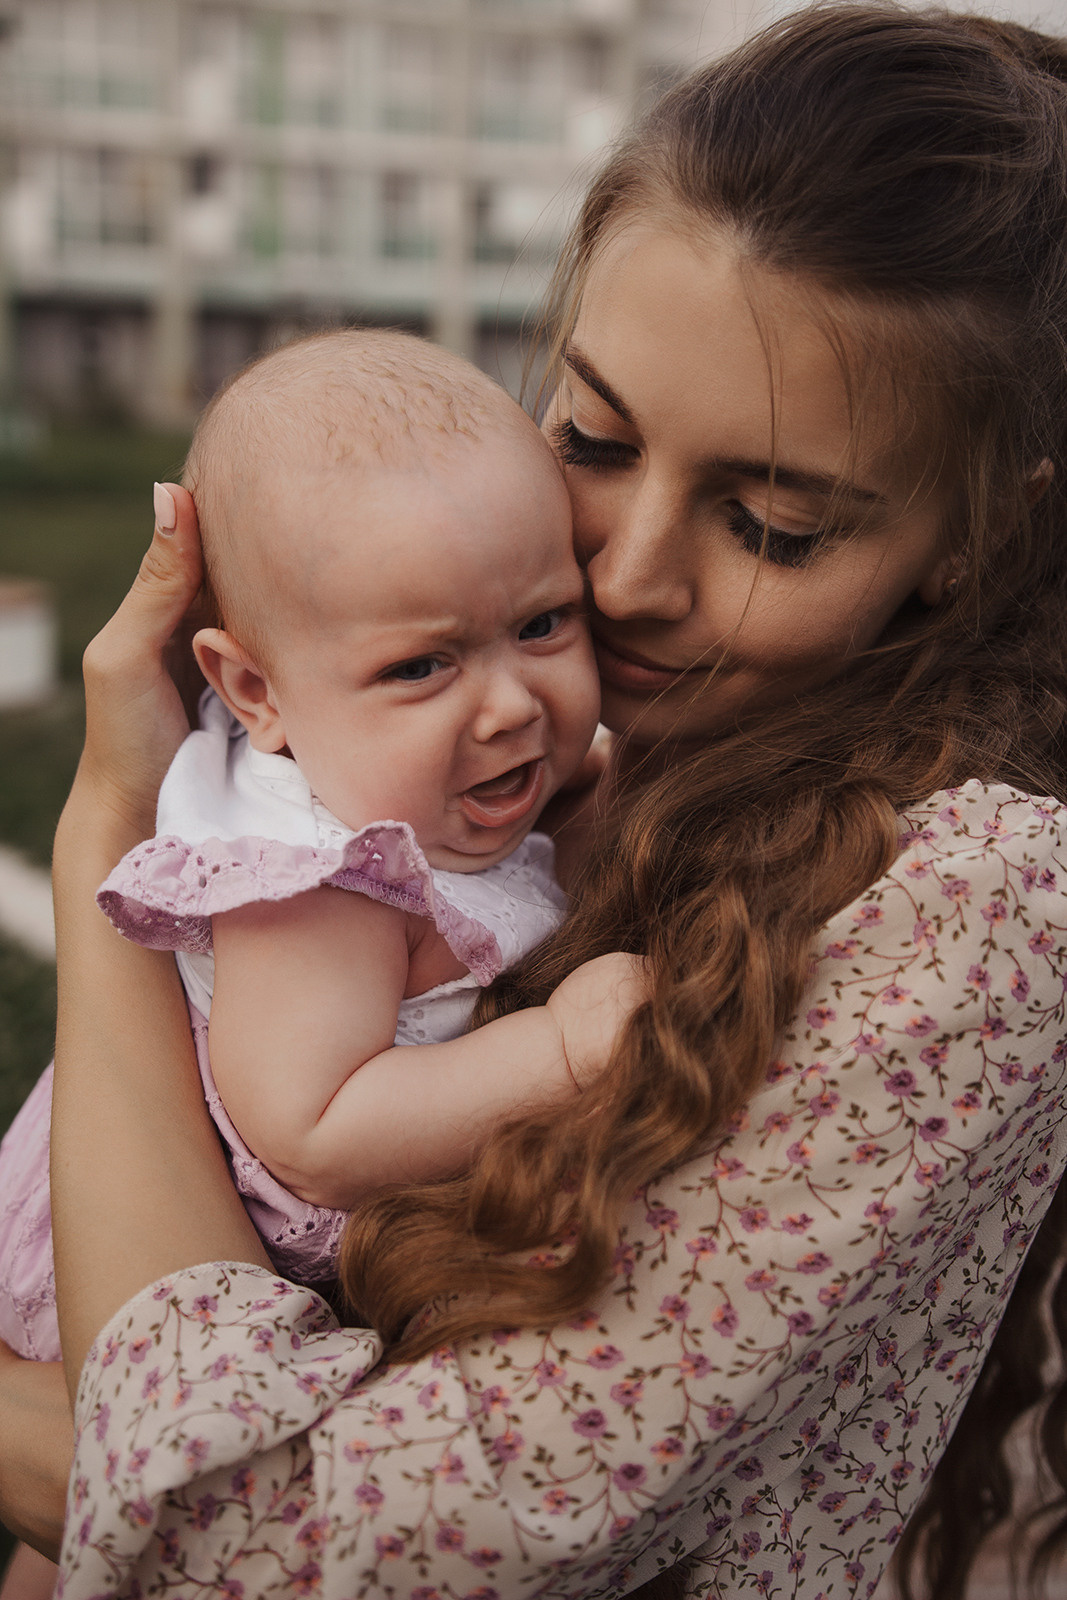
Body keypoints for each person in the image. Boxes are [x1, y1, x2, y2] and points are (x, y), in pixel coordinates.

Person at [5, 5, 1067, 1597]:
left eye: (772, 527)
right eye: (590, 438)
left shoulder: (979, 898)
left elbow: (278, 1551)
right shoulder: (598, 772)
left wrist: (110, 855)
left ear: (978, 537)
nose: (622, 579)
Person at [0, 327, 646, 1365]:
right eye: (420, 667)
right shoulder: (317, 880)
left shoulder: (384, 766)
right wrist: (561, 1053)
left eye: (540, 624)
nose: (512, 706)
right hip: (154, 1273)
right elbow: (315, 1133)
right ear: (254, 691)